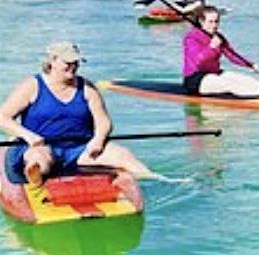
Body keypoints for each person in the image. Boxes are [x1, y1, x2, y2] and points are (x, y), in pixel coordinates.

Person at [0, 42, 157, 186]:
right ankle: (35, 176)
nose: (73, 67)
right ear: (52, 62)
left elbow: (103, 122)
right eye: (67, 63)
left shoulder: (87, 88)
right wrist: (28, 136)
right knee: (41, 158)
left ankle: (155, 180)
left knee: (122, 155)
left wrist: (98, 140)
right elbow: (3, 117)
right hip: (41, 146)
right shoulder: (31, 86)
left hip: (79, 149)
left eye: (76, 63)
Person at [182, 6, 259, 98]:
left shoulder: (218, 37)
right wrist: (212, 47)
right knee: (230, 84)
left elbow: (232, 55)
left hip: (215, 72)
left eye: (217, 21)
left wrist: (250, 64)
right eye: (210, 22)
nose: (215, 25)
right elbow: (198, 61)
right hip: (196, 79)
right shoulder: (192, 37)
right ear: (201, 21)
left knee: (247, 80)